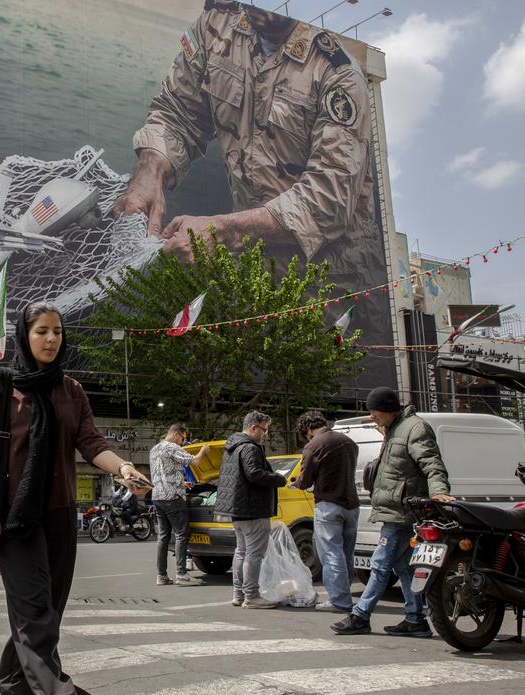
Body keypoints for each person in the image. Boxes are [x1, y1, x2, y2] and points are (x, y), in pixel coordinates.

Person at [112, 1, 383, 340]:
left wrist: (222, 230)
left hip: (332, 286)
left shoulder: (338, 71)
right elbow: (178, 111)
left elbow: (327, 202)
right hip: (252, 267)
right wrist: (150, 169)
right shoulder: (216, 25)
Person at [0, 302, 151, 695]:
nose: (51, 339)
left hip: (60, 513)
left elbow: (91, 442)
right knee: (34, 613)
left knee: (47, 611)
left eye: (58, 332)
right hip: (14, 516)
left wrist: (123, 467)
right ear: (24, 335)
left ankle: (11, 685)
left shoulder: (70, 389)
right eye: (41, 331)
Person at [332, 387, 452, 637]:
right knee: (404, 568)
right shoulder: (395, 429)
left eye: (374, 411)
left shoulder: (415, 428)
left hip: (402, 511)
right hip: (395, 509)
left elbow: (431, 463)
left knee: (379, 565)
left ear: (388, 409)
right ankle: (415, 619)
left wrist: (439, 490)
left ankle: (360, 615)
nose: (372, 416)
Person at [216, 411, 286, 609]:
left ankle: (239, 594)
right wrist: (278, 478)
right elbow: (254, 474)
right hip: (253, 509)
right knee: (254, 554)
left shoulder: (232, 447)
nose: (266, 434)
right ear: (254, 428)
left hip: (238, 510)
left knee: (241, 552)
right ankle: (252, 596)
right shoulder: (250, 447)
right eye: (264, 430)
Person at [292, 410, 359, 612]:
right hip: (352, 504)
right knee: (346, 554)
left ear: (307, 429)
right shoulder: (349, 442)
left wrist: (296, 483)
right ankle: (344, 594)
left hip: (329, 505)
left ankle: (339, 600)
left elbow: (305, 480)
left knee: (331, 554)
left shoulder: (314, 445)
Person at [149, 423, 211, 586]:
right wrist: (204, 451)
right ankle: (182, 574)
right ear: (176, 434)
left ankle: (161, 575)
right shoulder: (173, 447)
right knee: (182, 533)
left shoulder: (154, 449)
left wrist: (182, 482)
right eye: (183, 438)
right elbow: (195, 461)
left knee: (163, 537)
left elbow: (163, 474)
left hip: (157, 497)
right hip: (173, 497)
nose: (183, 442)